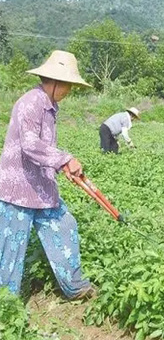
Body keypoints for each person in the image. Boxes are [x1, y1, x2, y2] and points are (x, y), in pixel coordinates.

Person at [0, 50, 96, 299]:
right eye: (68, 85)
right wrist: (64, 159)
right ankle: (6, 304)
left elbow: (43, 149)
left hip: (40, 186)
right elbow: (29, 144)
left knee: (65, 225)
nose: (70, 91)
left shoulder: (50, 106)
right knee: (11, 251)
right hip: (18, 189)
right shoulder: (30, 102)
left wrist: (61, 167)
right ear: (55, 81)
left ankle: (74, 286)